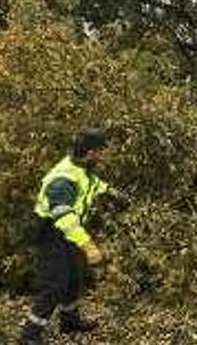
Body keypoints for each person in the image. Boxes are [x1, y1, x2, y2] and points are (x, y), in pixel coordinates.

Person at [19, 128, 124, 344]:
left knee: (75, 276)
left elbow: (91, 183)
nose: (103, 155)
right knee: (55, 283)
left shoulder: (81, 167)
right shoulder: (62, 179)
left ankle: (69, 321)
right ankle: (30, 334)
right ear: (92, 152)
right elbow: (64, 217)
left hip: (70, 233)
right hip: (53, 233)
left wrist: (111, 192)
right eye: (101, 151)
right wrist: (88, 246)